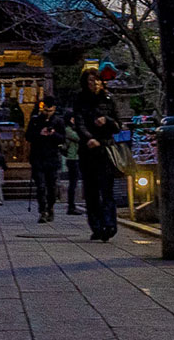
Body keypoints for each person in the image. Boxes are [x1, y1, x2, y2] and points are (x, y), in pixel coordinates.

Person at [68, 68, 121, 241]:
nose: (95, 84)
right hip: (88, 150)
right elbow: (79, 123)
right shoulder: (80, 100)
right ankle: (96, 225)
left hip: (106, 149)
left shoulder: (108, 99)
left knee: (107, 189)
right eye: (91, 80)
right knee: (91, 190)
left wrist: (107, 120)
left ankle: (110, 223)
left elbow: (118, 125)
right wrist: (89, 138)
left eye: (97, 80)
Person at [25, 97, 65, 222]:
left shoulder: (58, 121)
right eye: (46, 110)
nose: (48, 113)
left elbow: (63, 138)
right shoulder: (35, 121)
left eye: (50, 111)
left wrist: (53, 134)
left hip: (52, 157)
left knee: (52, 186)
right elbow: (28, 136)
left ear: (54, 109)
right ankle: (42, 210)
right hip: (38, 157)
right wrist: (39, 133)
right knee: (41, 186)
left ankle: (50, 207)